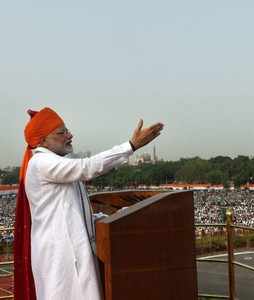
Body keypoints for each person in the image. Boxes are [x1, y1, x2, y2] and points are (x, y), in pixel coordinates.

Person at [14, 107, 163, 300]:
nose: (70, 135)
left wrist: (115, 217)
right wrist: (131, 146)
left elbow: (73, 213)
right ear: (42, 141)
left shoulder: (58, 164)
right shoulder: (41, 163)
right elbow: (87, 167)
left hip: (72, 252)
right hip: (60, 258)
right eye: (62, 132)